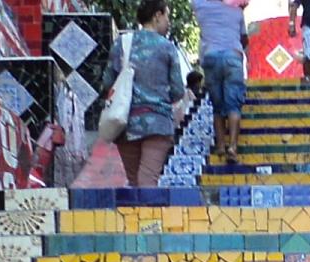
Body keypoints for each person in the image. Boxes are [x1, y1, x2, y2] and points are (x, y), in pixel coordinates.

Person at [102, 0, 190, 185]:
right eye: (167, 16)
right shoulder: (167, 47)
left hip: (124, 122)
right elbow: (177, 91)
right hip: (157, 124)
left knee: (135, 182)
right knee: (148, 180)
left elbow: (108, 82)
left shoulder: (122, 43)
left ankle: (139, 213)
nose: (169, 22)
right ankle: (151, 213)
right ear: (157, 16)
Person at [196, 0, 248, 161]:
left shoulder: (200, 6)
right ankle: (232, 146)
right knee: (233, 106)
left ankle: (219, 146)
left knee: (217, 107)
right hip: (232, 57)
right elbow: (244, 39)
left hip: (210, 57)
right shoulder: (237, 12)